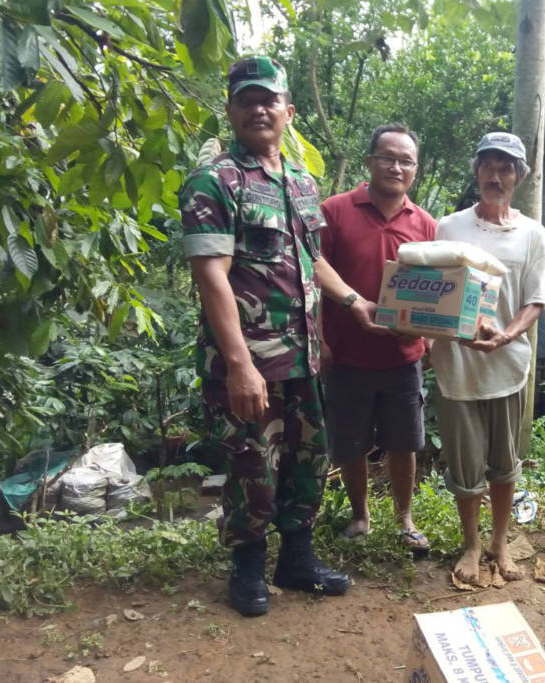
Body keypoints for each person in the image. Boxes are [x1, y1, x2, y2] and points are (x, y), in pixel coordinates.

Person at [180, 56, 367, 616]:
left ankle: (297, 558)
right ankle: (247, 568)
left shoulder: (301, 181)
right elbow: (211, 275)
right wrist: (239, 364)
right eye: (246, 99)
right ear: (232, 110)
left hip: (303, 358)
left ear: (288, 110)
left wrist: (356, 304)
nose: (259, 108)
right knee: (250, 465)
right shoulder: (214, 181)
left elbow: (311, 261)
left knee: (307, 460)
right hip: (251, 361)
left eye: (269, 99)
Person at [429, 132, 545, 585]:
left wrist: (506, 336)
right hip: (456, 365)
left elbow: (536, 300)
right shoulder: (449, 227)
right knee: (465, 466)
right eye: (489, 166)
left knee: (504, 462)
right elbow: (434, 294)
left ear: (519, 177)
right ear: (477, 171)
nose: (496, 176)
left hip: (506, 364)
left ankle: (500, 542)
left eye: (506, 168)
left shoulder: (532, 233)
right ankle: (472, 544)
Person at [319, 124, 437, 552]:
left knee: (404, 440)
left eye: (405, 161)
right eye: (387, 157)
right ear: (370, 161)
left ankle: (405, 519)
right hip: (347, 353)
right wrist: (321, 337)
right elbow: (312, 269)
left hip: (402, 356)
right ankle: (360, 515)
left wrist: (430, 338)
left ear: (415, 170)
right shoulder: (335, 210)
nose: (396, 167)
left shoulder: (425, 224)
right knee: (350, 439)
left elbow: (438, 292)